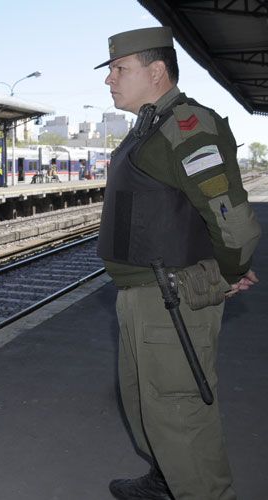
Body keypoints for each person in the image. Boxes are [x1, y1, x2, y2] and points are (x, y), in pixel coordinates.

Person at [95, 27, 261, 500]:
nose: (109, 80)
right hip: (141, 295)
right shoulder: (149, 127)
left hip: (170, 298)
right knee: (144, 401)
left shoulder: (185, 126)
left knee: (180, 412)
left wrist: (225, 274)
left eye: (118, 69)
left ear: (156, 71)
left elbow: (232, 221)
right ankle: (166, 481)